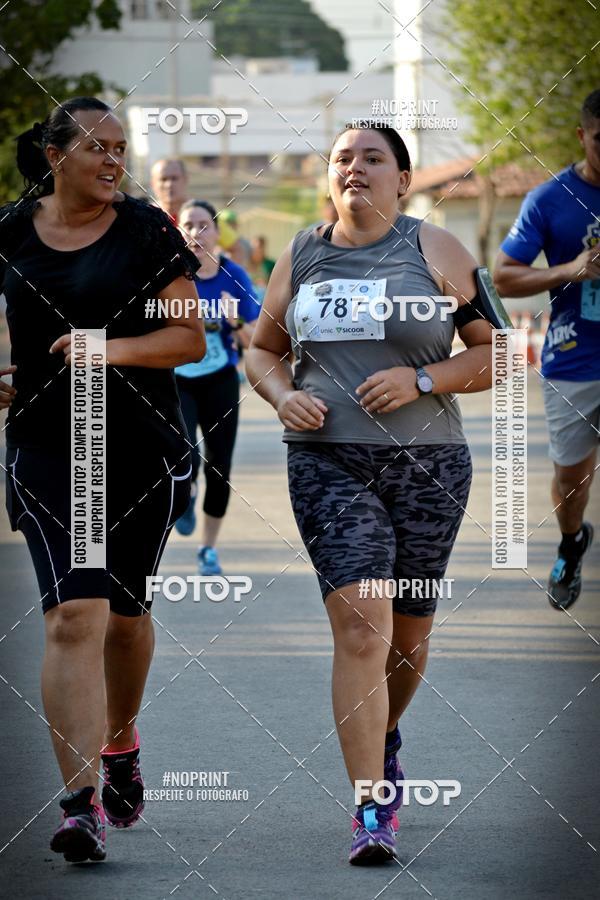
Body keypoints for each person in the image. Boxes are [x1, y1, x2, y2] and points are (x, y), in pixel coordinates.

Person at [246, 123, 493, 865]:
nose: (355, 168)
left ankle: (382, 734)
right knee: (362, 627)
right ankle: (371, 805)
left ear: (403, 180)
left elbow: (499, 353)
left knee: (407, 638)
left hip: (429, 466)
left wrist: (423, 378)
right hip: (327, 462)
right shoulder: (302, 253)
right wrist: (283, 395)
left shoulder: (436, 249)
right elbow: (262, 350)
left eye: (373, 158)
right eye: (342, 158)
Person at [0, 97, 204, 863]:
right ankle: (79, 804)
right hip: (52, 447)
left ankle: (120, 741)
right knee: (72, 615)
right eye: (98, 146)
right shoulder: (11, 231)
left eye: (121, 147)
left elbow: (188, 338)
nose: (114, 159)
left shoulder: (147, 230)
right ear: (56, 156)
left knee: (122, 616)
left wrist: (107, 350)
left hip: (137, 447)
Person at [494, 88, 600, 610]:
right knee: (571, 479)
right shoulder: (549, 199)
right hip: (574, 356)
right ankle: (571, 541)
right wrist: (570, 270)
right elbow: (502, 277)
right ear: (582, 137)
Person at [173, 200, 258, 575]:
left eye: (204, 225)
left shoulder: (233, 275)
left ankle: (208, 548)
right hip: (178, 378)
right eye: (188, 225)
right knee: (184, 457)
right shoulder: (170, 273)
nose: (196, 232)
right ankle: (186, 492)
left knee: (219, 467)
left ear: (217, 232)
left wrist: (234, 319)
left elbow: (256, 340)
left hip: (220, 379)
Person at [150, 157, 189, 224]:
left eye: (174, 178)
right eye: (163, 179)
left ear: (185, 180)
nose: (169, 185)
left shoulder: (201, 215)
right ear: (153, 184)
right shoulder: (145, 216)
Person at [248, 235, 276, 301]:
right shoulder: (244, 264)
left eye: (258, 248)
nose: (255, 251)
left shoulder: (271, 264)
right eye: (252, 248)